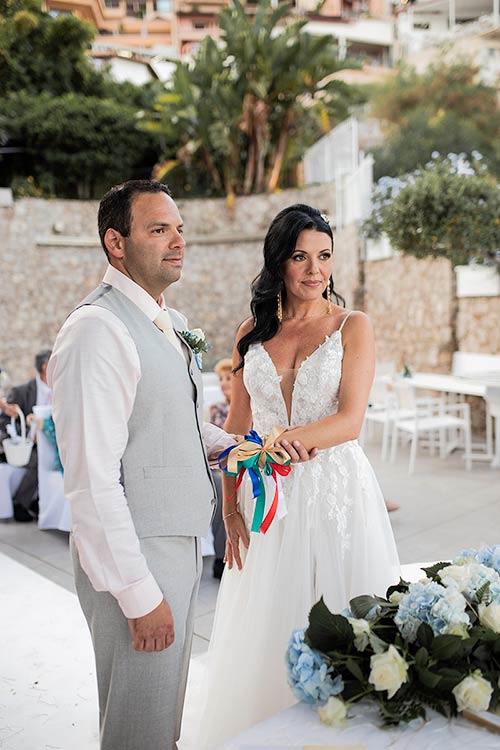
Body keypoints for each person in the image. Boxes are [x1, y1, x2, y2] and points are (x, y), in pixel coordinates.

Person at [48, 180, 315, 750]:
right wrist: (139, 595)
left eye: (179, 229)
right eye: (158, 229)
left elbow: (176, 424)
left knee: (160, 720)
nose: (177, 242)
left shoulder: (162, 320)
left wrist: (236, 446)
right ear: (115, 243)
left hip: (174, 544)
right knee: (138, 729)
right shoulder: (97, 330)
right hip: (136, 555)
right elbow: (91, 482)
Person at [195, 204, 400, 748]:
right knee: (269, 627)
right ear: (279, 261)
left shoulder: (353, 326)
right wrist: (230, 505)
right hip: (270, 500)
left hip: (335, 492)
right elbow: (238, 429)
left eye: (325, 257)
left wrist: (290, 440)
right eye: (300, 257)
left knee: (340, 616)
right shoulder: (250, 334)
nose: (315, 270)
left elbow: (350, 420)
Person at [0, 350, 52, 521]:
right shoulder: (22, 391)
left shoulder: (62, 389)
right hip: (25, 446)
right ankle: (22, 503)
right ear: (45, 367)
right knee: (40, 458)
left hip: (54, 440)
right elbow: (5, 422)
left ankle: (40, 501)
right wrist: (27, 435)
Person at [208, 358, 232, 579]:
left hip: (249, 463)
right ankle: (221, 556)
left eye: (228, 377)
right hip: (220, 466)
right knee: (220, 487)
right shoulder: (217, 409)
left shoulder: (257, 407)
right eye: (221, 379)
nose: (224, 383)